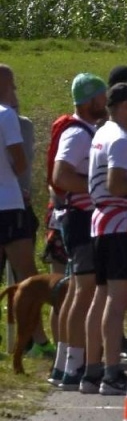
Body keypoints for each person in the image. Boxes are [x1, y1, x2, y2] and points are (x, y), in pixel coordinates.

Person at [80, 81, 127, 395]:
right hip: (119, 222)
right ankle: (111, 372)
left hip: (102, 222)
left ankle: (92, 370)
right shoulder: (120, 139)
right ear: (125, 105)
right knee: (117, 297)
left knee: (101, 297)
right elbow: (116, 184)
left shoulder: (101, 134)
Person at [48, 74, 107, 388]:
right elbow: (61, 175)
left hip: (78, 217)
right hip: (81, 217)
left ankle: (65, 365)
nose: (106, 102)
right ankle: (73, 368)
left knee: (77, 290)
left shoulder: (85, 131)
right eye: (102, 96)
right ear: (90, 100)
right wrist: (99, 187)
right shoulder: (78, 133)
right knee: (83, 290)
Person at [0, 66, 38, 308]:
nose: (15, 90)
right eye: (12, 84)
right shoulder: (6, 115)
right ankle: (39, 341)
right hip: (9, 203)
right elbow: (20, 161)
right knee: (28, 277)